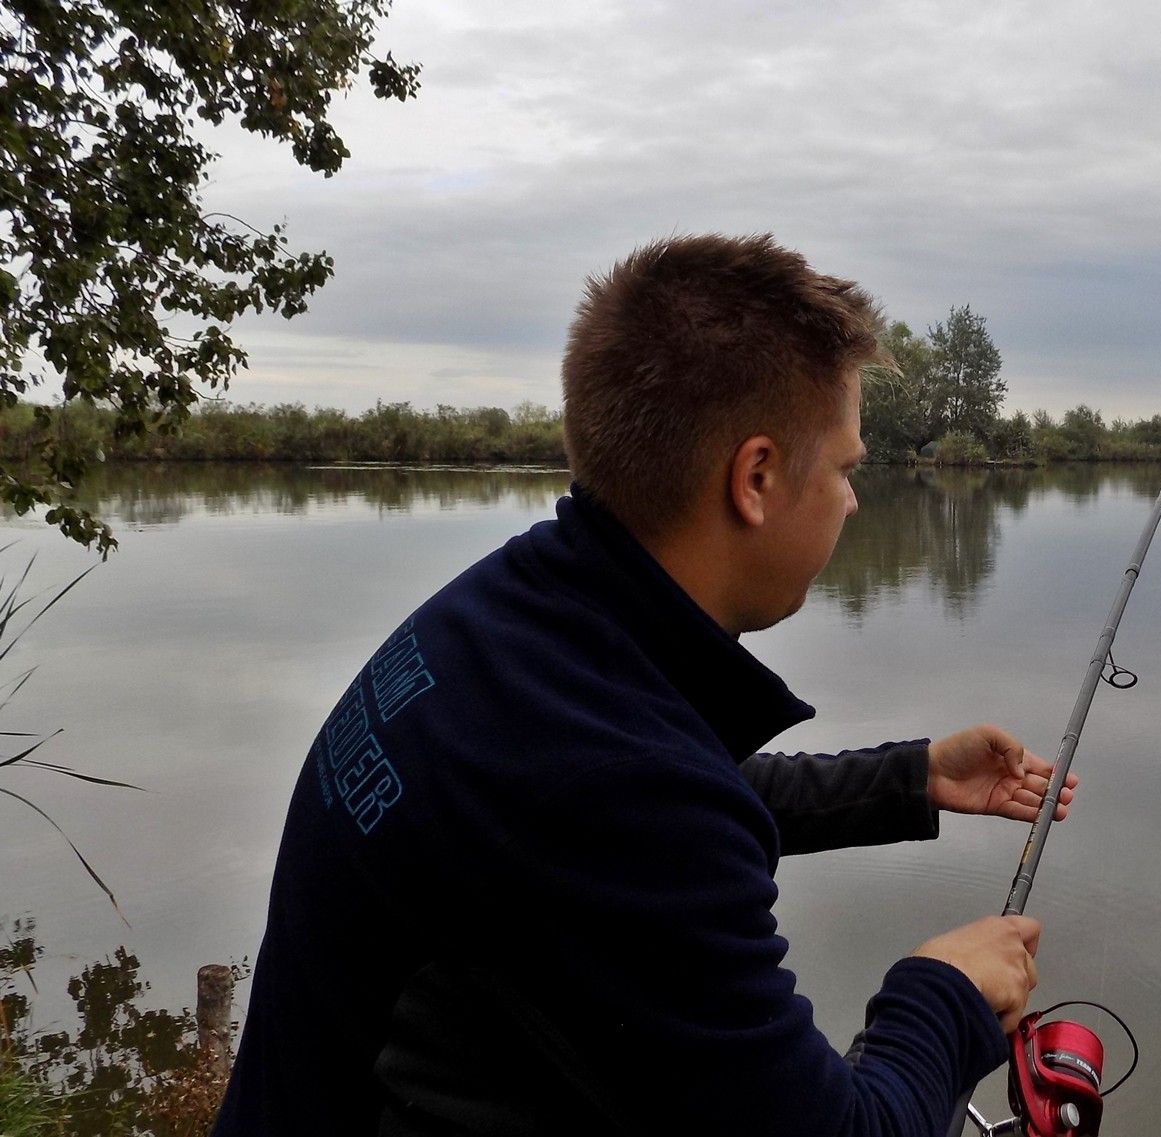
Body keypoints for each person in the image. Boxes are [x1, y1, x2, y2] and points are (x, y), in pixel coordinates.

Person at [210, 233, 1077, 1136]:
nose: (855, 502)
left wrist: (908, 777)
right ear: (757, 477)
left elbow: (663, 799)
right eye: (847, 468)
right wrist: (945, 994)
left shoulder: (503, 622)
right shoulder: (605, 786)